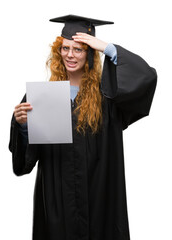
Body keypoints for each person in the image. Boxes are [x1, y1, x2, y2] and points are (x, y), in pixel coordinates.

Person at [9, 15, 157, 240]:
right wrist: (22, 126)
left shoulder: (107, 97)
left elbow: (146, 78)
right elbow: (25, 162)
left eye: (79, 49)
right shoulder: (42, 97)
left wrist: (108, 48)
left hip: (101, 200)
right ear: (58, 51)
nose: (70, 54)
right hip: (58, 206)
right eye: (65, 48)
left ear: (90, 53)